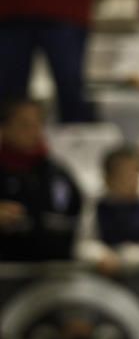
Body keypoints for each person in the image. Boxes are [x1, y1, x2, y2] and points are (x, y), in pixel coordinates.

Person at [74, 145, 139, 276]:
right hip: (103, 279)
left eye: (135, 171)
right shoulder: (97, 205)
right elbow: (82, 245)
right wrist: (100, 256)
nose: (132, 179)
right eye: (123, 174)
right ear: (108, 179)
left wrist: (125, 258)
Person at [0, 98, 82, 261]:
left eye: (38, 124)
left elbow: (73, 217)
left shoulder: (56, 173)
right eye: (24, 125)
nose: (33, 131)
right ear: (5, 128)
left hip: (51, 271)